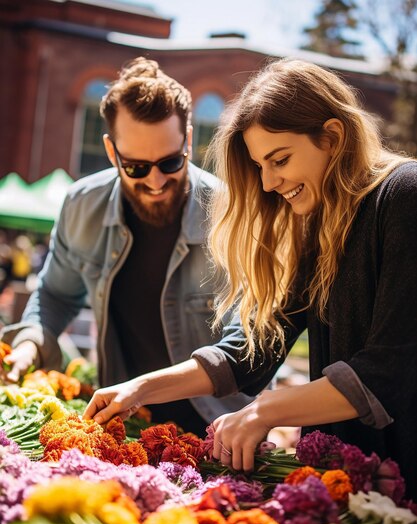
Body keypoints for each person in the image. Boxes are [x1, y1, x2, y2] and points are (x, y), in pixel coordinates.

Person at [83, 58, 417, 500]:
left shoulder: (405, 195)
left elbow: (388, 371)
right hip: (352, 487)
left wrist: (265, 410)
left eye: (279, 159)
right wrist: (142, 387)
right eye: (260, 165)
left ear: (333, 138)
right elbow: (254, 349)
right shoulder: (320, 223)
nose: (269, 181)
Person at [0, 56, 253, 437]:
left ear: (187, 139)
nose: (154, 181)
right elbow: (55, 295)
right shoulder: (81, 204)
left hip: (219, 430)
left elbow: (250, 336)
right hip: (120, 426)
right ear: (110, 151)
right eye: (135, 166)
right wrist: (30, 343)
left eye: (170, 162)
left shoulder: (231, 213)